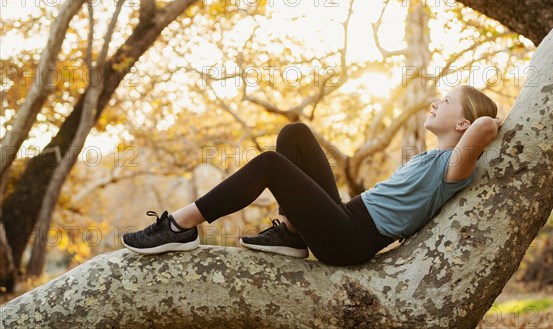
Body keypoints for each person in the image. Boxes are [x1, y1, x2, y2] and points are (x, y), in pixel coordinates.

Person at [122, 85, 501, 266]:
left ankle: (179, 227)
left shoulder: (454, 165)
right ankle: (292, 232)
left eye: (446, 101)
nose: (435, 102)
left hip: (352, 240)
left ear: (463, 122)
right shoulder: (433, 157)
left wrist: (497, 120)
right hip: (345, 218)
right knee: (295, 134)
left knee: (271, 164)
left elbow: (485, 124)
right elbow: (478, 123)